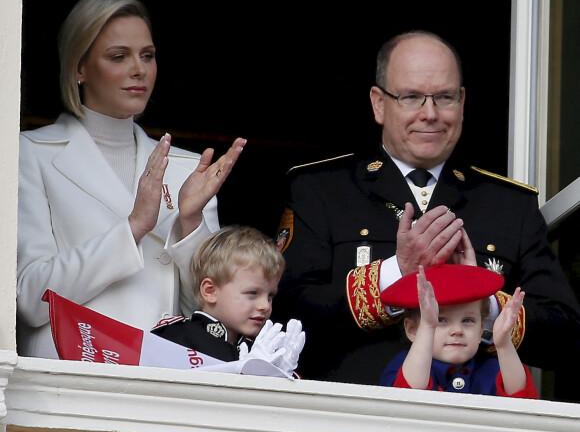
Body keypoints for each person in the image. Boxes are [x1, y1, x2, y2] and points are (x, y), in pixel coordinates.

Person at [16, 0, 244, 432]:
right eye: (118, 57)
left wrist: (187, 223)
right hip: (68, 392)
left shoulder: (188, 170)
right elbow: (29, 297)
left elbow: (214, 313)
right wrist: (134, 228)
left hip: (161, 397)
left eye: (147, 55)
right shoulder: (28, 154)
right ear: (79, 67)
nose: (138, 70)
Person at [273, 29, 580, 388]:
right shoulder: (321, 190)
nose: (430, 113)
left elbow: (568, 336)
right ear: (378, 103)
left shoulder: (509, 205)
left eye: (445, 97)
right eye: (412, 97)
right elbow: (279, 317)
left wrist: (481, 303)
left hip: (474, 430)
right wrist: (396, 272)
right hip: (351, 422)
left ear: (462, 103)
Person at [151, 224, 304, 375]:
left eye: (270, 296)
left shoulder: (263, 350)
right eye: (252, 293)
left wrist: (281, 375)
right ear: (210, 291)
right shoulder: (175, 337)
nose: (265, 305)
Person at [379, 264, 538, 398]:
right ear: (412, 329)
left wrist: (504, 344)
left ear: (481, 328)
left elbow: (522, 402)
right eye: (440, 320)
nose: (457, 330)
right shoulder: (403, 364)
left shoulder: (491, 368)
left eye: (468, 320)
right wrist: (428, 327)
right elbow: (409, 397)